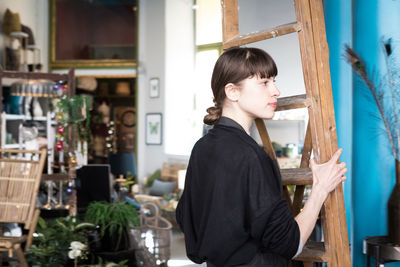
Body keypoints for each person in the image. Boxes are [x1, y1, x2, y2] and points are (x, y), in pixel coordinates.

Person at [176, 47, 347, 267]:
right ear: (232, 91)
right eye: (264, 82)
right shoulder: (251, 156)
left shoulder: (202, 147)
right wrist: (321, 188)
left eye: (273, 81)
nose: (275, 91)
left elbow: (185, 217)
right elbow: (290, 245)